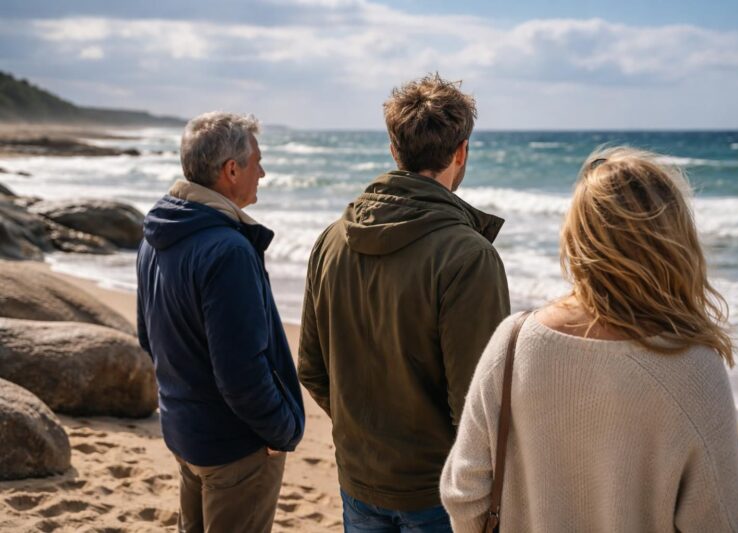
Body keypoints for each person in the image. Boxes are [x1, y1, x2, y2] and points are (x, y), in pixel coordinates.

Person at [440, 147, 738, 532]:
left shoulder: (514, 342)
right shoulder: (693, 370)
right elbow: (725, 525)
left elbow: (464, 492)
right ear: (674, 242)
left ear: (578, 237)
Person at [298, 74, 510, 532]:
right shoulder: (468, 255)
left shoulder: (330, 240)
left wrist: (370, 435)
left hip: (360, 476)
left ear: (395, 150)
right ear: (461, 152)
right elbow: (480, 404)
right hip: (436, 491)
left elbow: (312, 369)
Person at [136, 112, 305, 533]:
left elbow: (147, 336)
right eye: (257, 162)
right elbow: (241, 371)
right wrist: (281, 431)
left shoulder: (158, 234)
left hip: (186, 432)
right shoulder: (226, 249)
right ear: (231, 170)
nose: (262, 173)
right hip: (234, 447)